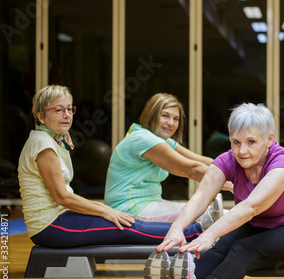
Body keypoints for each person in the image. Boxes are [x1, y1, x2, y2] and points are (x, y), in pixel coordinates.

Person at [143, 103, 284, 279]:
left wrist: (209, 234)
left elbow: (250, 207)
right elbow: (201, 197)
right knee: (219, 248)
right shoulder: (228, 160)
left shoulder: (283, 163)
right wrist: (177, 227)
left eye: (251, 142)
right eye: (236, 142)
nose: (242, 151)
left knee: (242, 249)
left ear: (269, 140)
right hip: (257, 227)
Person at [18, 85, 205, 248]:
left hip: (60, 218)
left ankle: (195, 230)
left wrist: (101, 209)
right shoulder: (43, 144)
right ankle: (196, 233)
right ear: (41, 116)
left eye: (69, 109)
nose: (67, 115)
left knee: (126, 224)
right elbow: (61, 196)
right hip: (50, 225)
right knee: (126, 228)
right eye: (58, 110)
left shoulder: (54, 140)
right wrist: (105, 210)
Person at [104, 93, 230, 223]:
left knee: (218, 215)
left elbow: (201, 160)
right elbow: (192, 169)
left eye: (176, 119)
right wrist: (234, 185)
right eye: (165, 116)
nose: (171, 123)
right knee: (214, 217)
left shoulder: (160, 139)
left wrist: (235, 168)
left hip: (147, 204)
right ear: (151, 115)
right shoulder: (143, 139)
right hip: (128, 210)